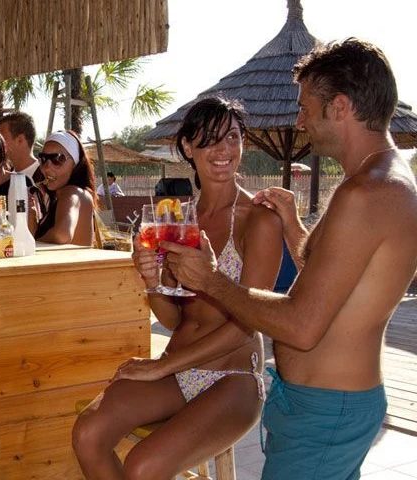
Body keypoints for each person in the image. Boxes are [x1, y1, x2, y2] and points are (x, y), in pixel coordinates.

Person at [163, 38, 417, 480]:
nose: (300, 120)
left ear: (339, 107)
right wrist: (297, 227)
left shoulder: (367, 193)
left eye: (306, 107)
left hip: (326, 409)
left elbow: (302, 326)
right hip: (324, 403)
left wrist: (213, 280)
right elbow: (335, 278)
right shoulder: (384, 180)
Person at [72, 97, 283, 480]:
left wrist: (162, 365)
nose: (223, 151)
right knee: (88, 433)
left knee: (143, 466)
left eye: (232, 138)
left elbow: (249, 324)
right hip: (179, 368)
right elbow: (176, 317)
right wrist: (153, 282)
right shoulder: (180, 220)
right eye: (209, 140)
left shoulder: (259, 221)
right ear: (187, 147)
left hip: (232, 377)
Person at [32, 130, 96, 246]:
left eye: (57, 159)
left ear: (75, 163)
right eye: (43, 159)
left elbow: (62, 235)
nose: (47, 168)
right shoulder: (69, 194)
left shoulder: (71, 192)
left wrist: (34, 239)